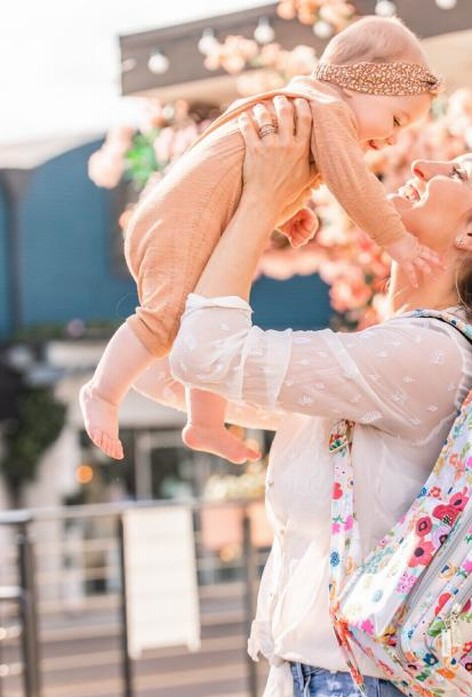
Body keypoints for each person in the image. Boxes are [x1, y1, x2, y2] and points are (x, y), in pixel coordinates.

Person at [135, 95, 472, 697]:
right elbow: (169, 370)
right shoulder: (397, 360)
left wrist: (258, 200)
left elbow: (205, 355)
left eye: (459, 170)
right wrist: (207, 222)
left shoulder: (427, 359)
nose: (428, 161)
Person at [80, 15, 443, 465]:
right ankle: (102, 392)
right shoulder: (328, 109)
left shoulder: (305, 108)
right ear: (361, 81)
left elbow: (249, 173)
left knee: (202, 317)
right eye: (395, 119)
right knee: (167, 320)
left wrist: (290, 213)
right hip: (178, 222)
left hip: (185, 218)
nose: (391, 137)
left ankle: (206, 424)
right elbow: (353, 183)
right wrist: (397, 241)